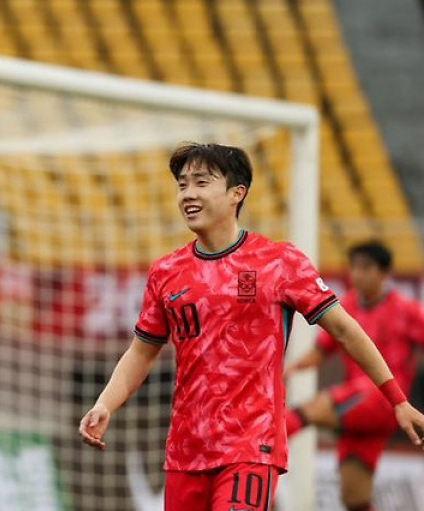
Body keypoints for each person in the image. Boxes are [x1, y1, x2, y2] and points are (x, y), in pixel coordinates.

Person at [78, 143, 424, 511]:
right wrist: (105, 404)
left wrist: (398, 401)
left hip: (251, 445)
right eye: (182, 185)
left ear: (236, 194)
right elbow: (141, 352)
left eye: (201, 182)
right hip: (186, 451)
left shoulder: (279, 262)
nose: (188, 194)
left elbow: (345, 331)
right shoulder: (166, 272)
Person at [285, 240, 424, 511]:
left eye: (366, 268)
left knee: (309, 410)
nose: (357, 274)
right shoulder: (345, 307)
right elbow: (321, 351)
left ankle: (260, 449)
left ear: (383, 273)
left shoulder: (406, 310)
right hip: (358, 414)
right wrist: (291, 370)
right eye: (354, 267)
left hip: (384, 402)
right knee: (354, 498)